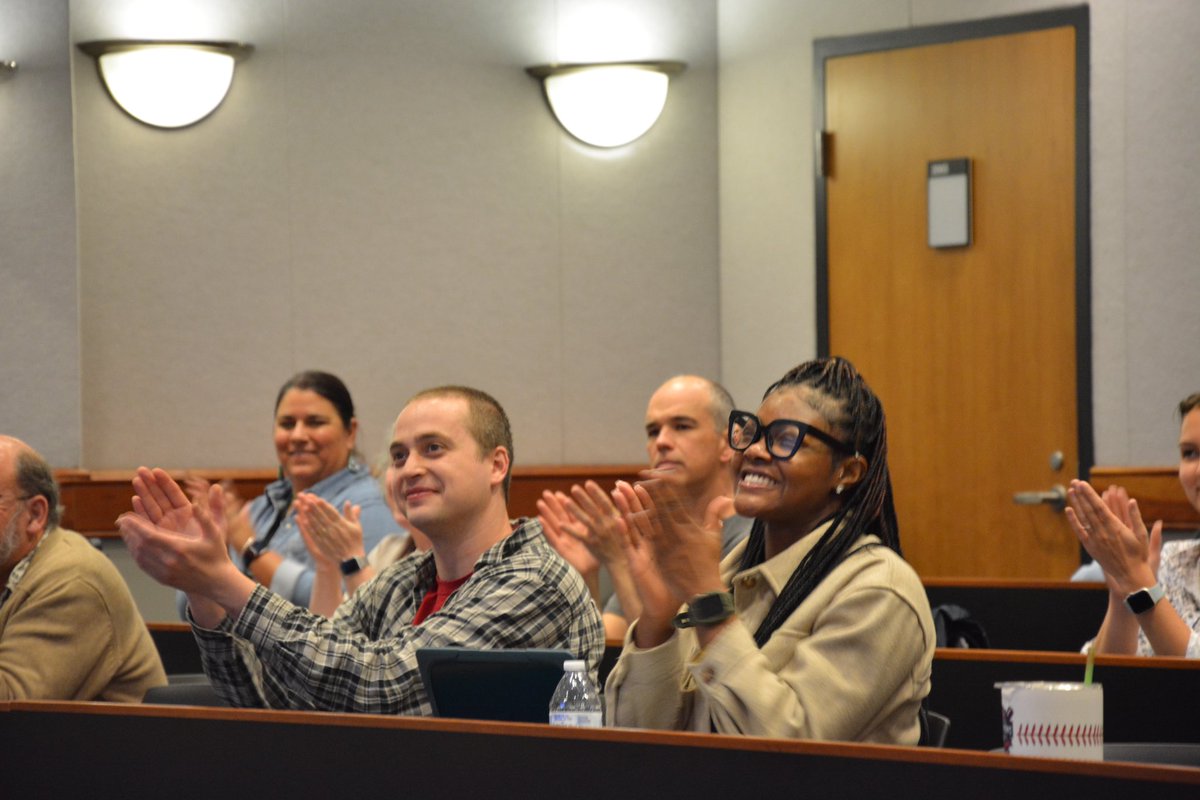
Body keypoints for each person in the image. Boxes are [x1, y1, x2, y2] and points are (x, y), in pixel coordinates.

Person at [119, 386, 604, 713]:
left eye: (433, 448)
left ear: (496, 465)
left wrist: (228, 580)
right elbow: (277, 695)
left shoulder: (535, 579)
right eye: (398, 455)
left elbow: (380, 685)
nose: (408, 468)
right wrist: (204, 591)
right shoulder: (402, 581)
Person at [605, 357, 935, 742]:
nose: (754, 452)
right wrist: (657, 622)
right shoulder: (733, 568)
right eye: (753, 433)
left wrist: (709, 604)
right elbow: (633, 741)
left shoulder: (879, 591)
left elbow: (787, 748)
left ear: (847, 472)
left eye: (784, 438)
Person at [539, 375, 751, 639]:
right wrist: (587, 574)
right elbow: (614, 645)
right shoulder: (658, 533)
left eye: (682, 426)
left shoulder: (752, 538)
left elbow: (682, 657)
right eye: (653, 432)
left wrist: (617, 562)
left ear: (730, 441)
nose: (661, 441)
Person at [177, 370, 402, 616]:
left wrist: (250, 550)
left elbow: (350, 608)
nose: (297, 436)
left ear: (350, 433)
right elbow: (187, 609)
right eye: (287, 424)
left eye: (315, 422)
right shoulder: (259, 508)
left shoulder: (367, 506)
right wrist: (203, 550)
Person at [0, 436, 166, 701]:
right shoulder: (10, 567)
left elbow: (12, 707)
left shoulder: (72, 581)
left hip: (106, 743)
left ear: (34, 514)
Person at [1067, 392, 1200, 658]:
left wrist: (1137, 582)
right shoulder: (1172, 562)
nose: (1197, 470)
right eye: (1190, 453)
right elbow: (1097, 677)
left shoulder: (1146, 572)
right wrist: (1122, 598)